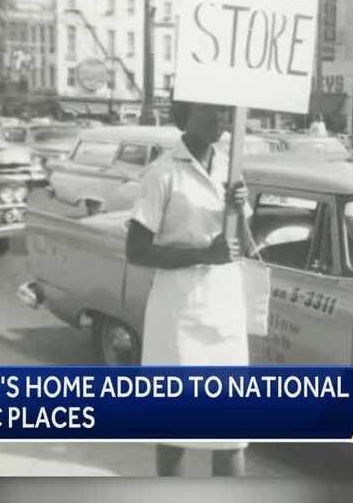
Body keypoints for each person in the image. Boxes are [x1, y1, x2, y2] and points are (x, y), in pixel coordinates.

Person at [126, 100, 251, 477]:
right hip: (177, 311)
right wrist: (202, 254)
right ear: (186, 116)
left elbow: (242, 246)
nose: (221, 119)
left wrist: (240, 209)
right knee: (174, 424)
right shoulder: (162, 173)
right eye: (210, 110)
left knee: (231, 430)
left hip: (224, 304)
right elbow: (136, 250)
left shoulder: (232, 170)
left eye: (224, 111)